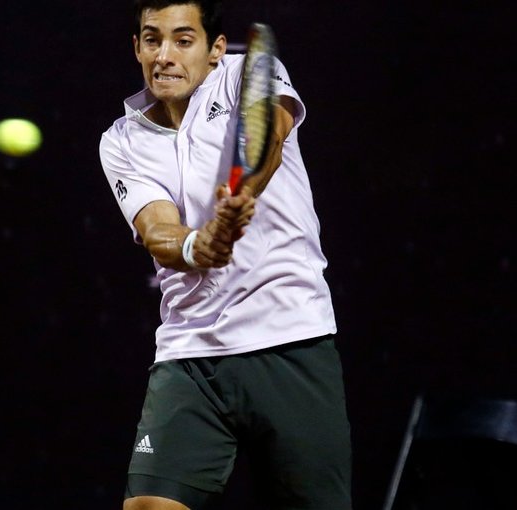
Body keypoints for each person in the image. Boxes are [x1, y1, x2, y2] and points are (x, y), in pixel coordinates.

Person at [99, 1, 353, 508]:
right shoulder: (121, 140)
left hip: (289, 339)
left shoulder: (249, 75)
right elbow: (156, 230)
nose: (165, 56)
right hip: (189, 355)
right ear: (136, 47)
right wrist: (200, 244)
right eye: (152, 40)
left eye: (183, 40)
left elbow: (271, 135)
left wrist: (243, 195)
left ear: (216, 50)